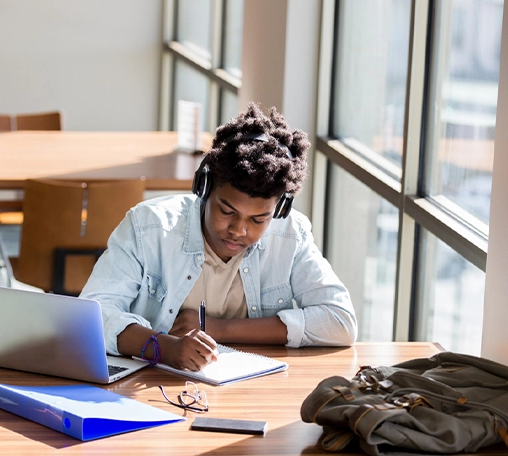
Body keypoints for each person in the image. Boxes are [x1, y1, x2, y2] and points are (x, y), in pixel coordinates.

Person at [79, 102, 357, 372]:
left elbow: (340, 321)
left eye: (258, 220)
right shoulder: (147, 226)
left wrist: (219, 328)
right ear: (204, 187)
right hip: (155, 388)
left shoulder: (290, 236)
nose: (238, 230)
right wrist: (164, 348)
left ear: (279, 209)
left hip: (248, 390)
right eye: (227, 211)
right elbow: (92, 316)